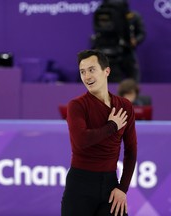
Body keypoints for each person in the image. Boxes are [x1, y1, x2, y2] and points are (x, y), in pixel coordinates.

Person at [61, 50, 137, 216]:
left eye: (91, 69)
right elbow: (81, 140)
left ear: (106, 71)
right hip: (80, 186)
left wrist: (122, 188)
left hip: (110, 185)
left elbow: (131, 151)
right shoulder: (77, 105)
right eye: (82, 72)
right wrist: (112, 126)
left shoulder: (124, 106)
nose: (87, 76)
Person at [91, 0, 146, 82]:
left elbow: (142, 33)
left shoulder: (132, 16)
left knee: (133, 75)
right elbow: (99, 29)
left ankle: (133, 92)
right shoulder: (102, 12)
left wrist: (135, 40)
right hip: (103, 48)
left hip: (125, 49)